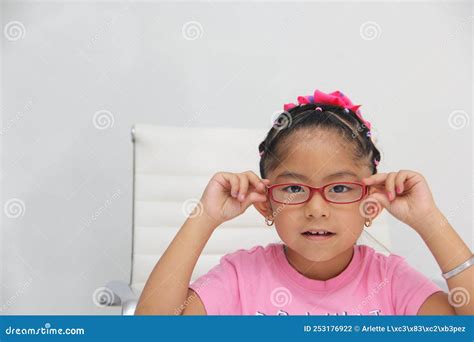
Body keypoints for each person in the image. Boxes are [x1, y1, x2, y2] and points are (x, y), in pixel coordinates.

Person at [135, 89, 473, 315]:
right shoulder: (240, 277)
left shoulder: (391, 280)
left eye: (339, 189)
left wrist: (429, 219)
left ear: (370, 203)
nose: (316, 209)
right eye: (294, 189)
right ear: (267, 204)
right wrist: (204, 216)